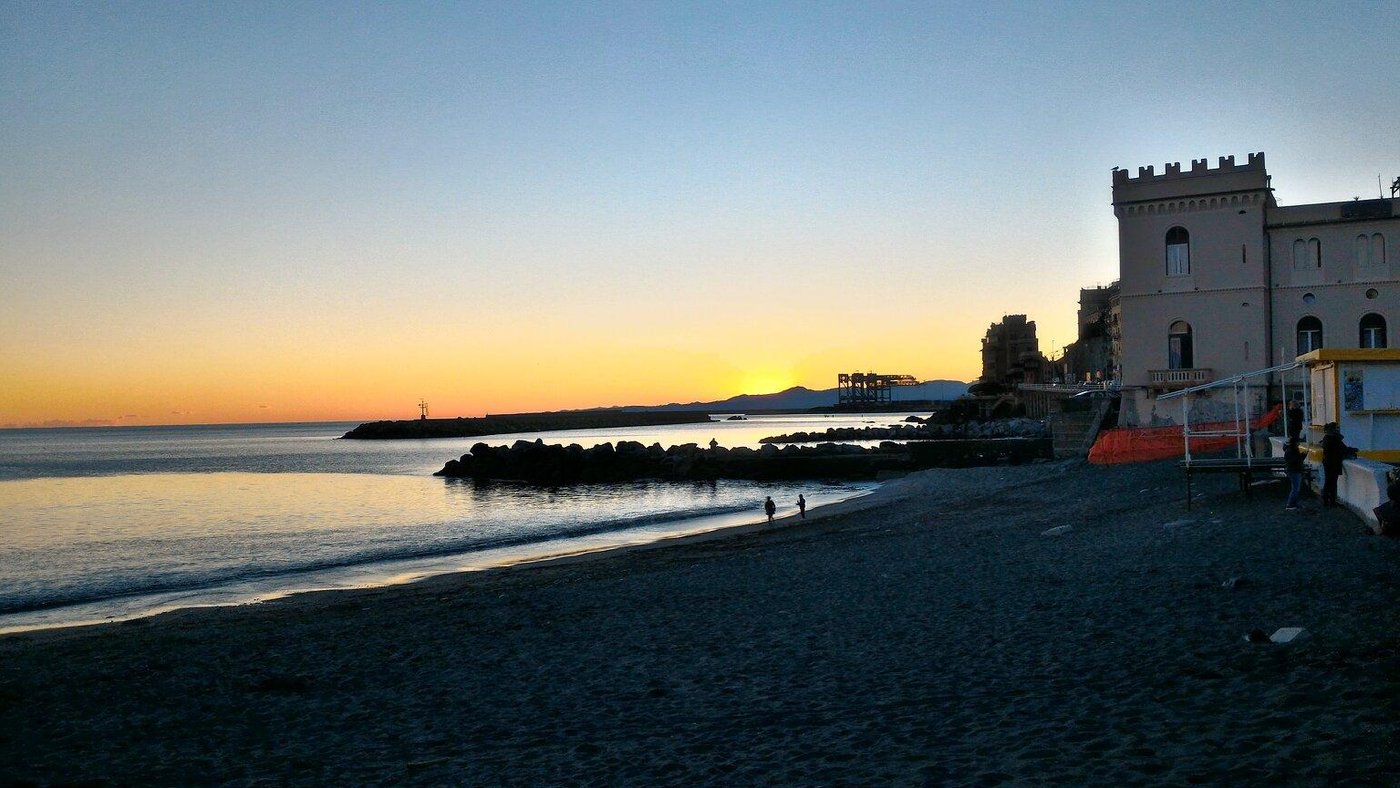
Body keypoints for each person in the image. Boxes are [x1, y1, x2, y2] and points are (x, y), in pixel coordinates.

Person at [1320, 422, 1347, 508]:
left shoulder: (1327, 438)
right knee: (1332, 483)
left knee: (1329, 482)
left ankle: (1327, 500)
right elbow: (1342, 448)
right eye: (1337, 428)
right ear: (1334, 429)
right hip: (1333, 463)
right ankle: (1331, 501)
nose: (1338, 429)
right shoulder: (1333, 439)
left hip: (1328, 462)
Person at [1283, 436, 1305, 510]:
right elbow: (1295, 460)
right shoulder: (1292, 450)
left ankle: (1293, 503)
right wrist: (1302, 456)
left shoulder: (1290, 450)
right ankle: (1290, 504)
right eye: (1298, 442)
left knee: (1295, 488)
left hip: (1293, 470)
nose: (1299, 443)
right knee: (1295, 488)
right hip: (1294, 470)